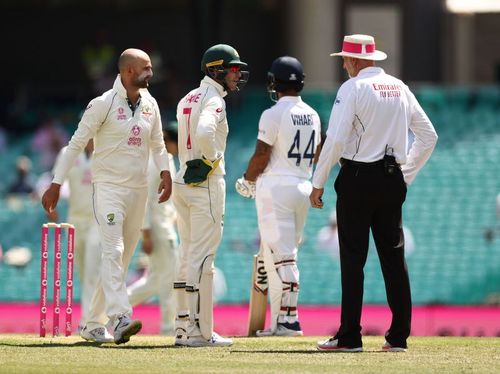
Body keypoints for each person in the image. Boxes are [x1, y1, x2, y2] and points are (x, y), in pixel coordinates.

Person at [309, 34, 438, 352]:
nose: (343, 64)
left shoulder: (352, 88)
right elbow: (428, 136)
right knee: (394, 258)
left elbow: (336, 139)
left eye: (344, 59)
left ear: (353, 60)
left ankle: (350, 335)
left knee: (353, 259)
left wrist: (318, 181)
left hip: (357, 176)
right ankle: (399, 338)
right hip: (391, 177)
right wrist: (404, 176)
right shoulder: (399, 87)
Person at [41, 48, 172, 345]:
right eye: (146, 68)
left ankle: (90, 323)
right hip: (109, 188)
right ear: (127, 72)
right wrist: (56, 183)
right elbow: (75, 144)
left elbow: (158, 145)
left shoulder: (151, 104)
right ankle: (120, 317)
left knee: (121, 260)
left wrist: (165, 173)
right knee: (113, 252)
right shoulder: (102, 104)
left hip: (138, 190)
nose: (151, 73)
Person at [236, 56, 321, 337]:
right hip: (302, 184)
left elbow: (262, 155)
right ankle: (280, 320)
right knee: (283, 254)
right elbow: (318, 153)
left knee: (284, 257)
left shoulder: (272, 113)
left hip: (277, 188)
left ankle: (288, 321)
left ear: (275, 82)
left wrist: (247, 180)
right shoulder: (313, 114)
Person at [172, 43, 249, 347]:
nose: (236, 75)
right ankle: (199, 331)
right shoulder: (215, 99)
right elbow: (205, 132)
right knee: (204, 257)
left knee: (187, 251)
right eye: (232, 69)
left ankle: (181, 326)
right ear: (216, 70)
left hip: (182, 180)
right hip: (205, 182)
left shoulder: (187, 98)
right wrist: (211, 160)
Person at [127, 126, 179, 335]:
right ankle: (169, 328)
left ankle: (111, 309)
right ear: (168, 140)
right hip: (158, 228)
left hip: (164, 225)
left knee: (156, 280)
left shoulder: (165, 159)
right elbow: (145, 200)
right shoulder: (154, 161)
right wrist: (146, 233)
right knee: (168, 279)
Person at [47, 140, 100, 330]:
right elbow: (57, 180)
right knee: (82, 271)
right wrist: (52, 205)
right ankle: (92, 320)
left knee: (92, 271)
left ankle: (88, 322)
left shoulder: (106, 150)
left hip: (98, 220)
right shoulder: (68, 152)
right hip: (75, 220)